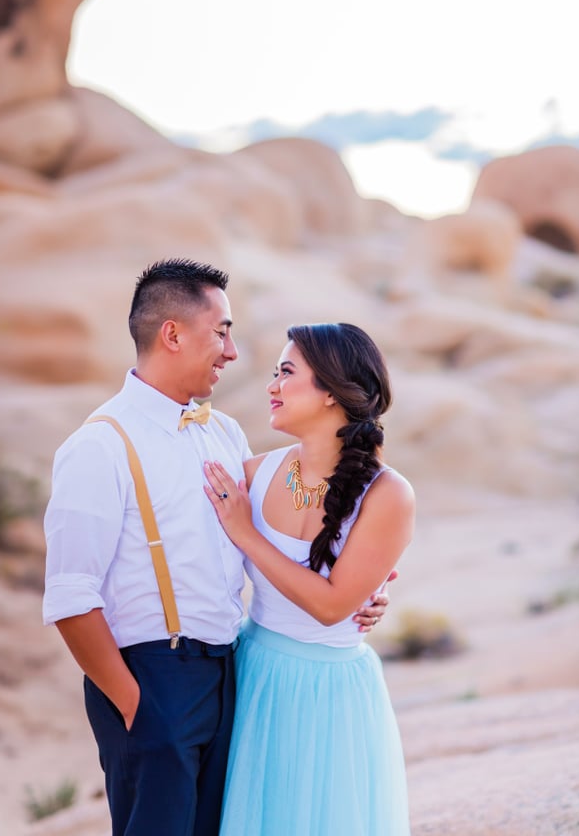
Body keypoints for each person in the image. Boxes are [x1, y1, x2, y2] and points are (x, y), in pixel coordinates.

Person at [42, 259, 391, 836]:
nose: (231, 353)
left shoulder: (224, 433)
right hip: (154, 678)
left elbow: (308, 514)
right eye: (222, 331)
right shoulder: (98, 446)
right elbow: (70, 597)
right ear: (172, 334)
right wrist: (134, 705)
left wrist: (366, 585)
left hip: (233, 674)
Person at [202, 321, 415, 836]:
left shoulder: (387, 494)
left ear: (331, 393)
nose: (272, 386)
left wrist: (245, 532)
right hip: (252, 674)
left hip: (330, 694)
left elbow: (330, 606)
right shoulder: (255, 474)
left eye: (287, 372)